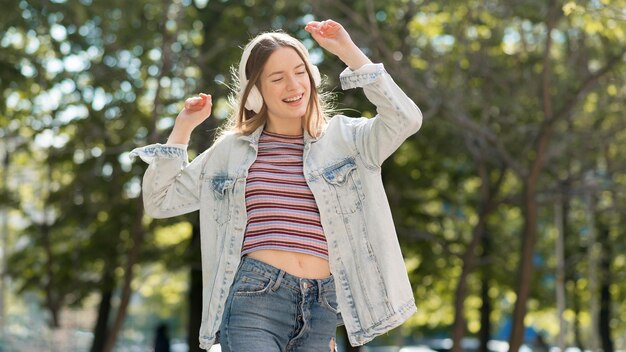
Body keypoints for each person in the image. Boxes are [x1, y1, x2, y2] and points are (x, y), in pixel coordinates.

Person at [130, 19, 422, 351]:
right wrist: (183, 128)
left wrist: (347, 50)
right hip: (256, 300)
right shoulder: (231, 151)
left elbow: (406, 119)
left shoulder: (348, 140)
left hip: (322, 304)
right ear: (255, 92)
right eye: (277, 78)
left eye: (300, 72)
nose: (293, 85)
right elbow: (160, 200)